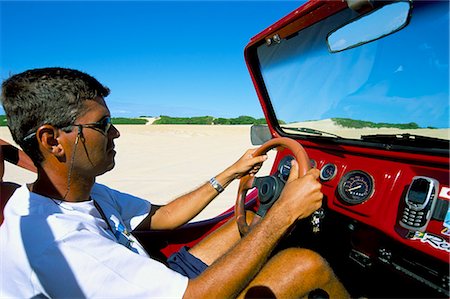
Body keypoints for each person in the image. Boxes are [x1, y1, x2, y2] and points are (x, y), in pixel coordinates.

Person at [0, 67, 349, 298]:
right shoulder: (59, 243)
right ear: (52, 140)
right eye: (102, 125)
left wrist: (230, 173)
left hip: (145, 275)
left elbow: (163, 216)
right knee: (304, 265)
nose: (116, 133)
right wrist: (284, 214)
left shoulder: (79, 193)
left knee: (252, 222)